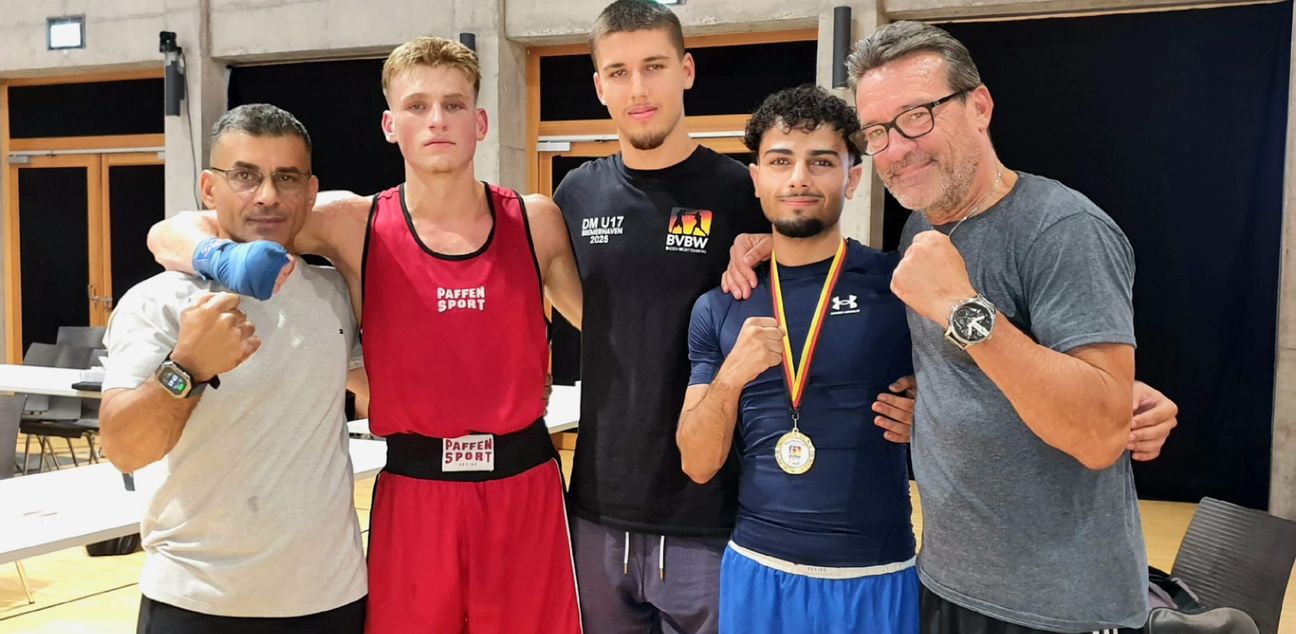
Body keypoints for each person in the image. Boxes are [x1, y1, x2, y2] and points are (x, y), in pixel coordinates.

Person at [722, 21, 1170, 633]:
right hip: (946, 581)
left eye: (918, 116)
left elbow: (1098, 432)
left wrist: (964, 308)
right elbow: (996, 381)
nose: (898, 148)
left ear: (979, 106)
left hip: (1058, 605)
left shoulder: (1062, 228)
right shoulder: (922, 229)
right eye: (878, 131)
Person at [144, 37, 582, 633]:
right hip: (416, 490)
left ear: (480, 122)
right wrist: (220, 257)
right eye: (417, 105)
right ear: (389, 124)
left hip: (523, 487)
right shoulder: (355, 222)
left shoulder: (533, 220)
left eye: (453, 105)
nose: (436, 120)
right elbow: (170, 230)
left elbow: (608, 328)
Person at [99, 103, 368, 633]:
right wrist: (187, 368)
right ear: (208, 188)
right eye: (245, 175)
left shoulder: (334, 294)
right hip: (196, 600)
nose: (267, 195)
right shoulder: (160, 301)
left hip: (330, 598)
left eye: (286, 177)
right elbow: (124, 448)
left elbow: (383, 393)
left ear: (309, 192)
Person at [678, 85, 919, 633]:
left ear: (852, 178)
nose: (799, 179)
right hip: (757, 569)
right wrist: (732, 376)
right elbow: (697, 463)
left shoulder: (898, 285)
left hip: (874, 571)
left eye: (822, 162)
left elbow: (969, 398)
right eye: (781, 161)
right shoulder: (721, 304)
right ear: (756, 178)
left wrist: (928, 412)